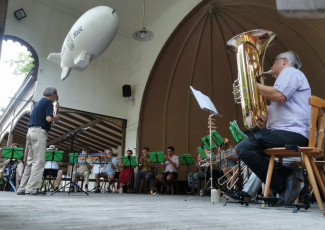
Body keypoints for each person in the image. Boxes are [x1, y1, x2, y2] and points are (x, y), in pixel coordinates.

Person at [235, 50, 311, 204]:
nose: (271, 67)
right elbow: (278, 104)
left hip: (291, 133)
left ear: (284, 61)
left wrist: (250, 85)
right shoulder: (288, 77)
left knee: (243, 148)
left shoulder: (290, 72)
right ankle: (286, 179)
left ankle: (283, 184)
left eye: (274, 62)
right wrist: (263, 118)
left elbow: (279, 95)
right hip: (286, 132)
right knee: (249, 144)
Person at [17, 87, 59, 195]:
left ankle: (22, 188)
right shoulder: (48, 102)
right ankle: (32, 188)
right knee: (39, 161)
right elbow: (48, 119)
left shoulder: (37, 103)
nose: (55, 98)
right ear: (53, 95)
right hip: (39, 132)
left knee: (30, 161)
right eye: (55, 96)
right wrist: (56, 117)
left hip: (30, 131)